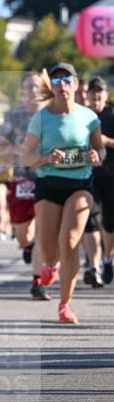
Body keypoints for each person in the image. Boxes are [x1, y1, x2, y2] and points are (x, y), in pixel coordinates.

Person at [20, 62, 105, 324]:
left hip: (80, 185)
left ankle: (64, 305)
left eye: (67, 80)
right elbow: (25, 156)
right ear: (53, 87)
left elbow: (100, 150)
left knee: (69, 242)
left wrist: (96, 155)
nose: (62, 85)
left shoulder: (88, 117)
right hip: (49, 185)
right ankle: (50, 265)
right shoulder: (42, 118)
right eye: (56, 81)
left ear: (76, 85)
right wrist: (46, 158)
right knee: (49, 251)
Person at [0, 71, 49, 300]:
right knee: (23, 235)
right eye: (28, 87)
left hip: (46, 177)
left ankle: (38, 281)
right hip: (21, 179)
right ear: (23, 92)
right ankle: (28, 246)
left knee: (43, 230)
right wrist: (16, 150)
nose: (33, 91)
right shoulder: (14, 116)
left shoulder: (51, 114)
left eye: (37, 86)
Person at [88, 76, 114, 285]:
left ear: (106, 94)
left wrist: (106, 141)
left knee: (109, 223)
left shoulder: (112, 115)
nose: (96, 95)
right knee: (91, 217)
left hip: (111, 174)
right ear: (87, 95)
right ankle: (93, 265)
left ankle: (108, 259)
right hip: (88, 175)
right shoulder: (82, 115)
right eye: (93, 91)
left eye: (100, 91)